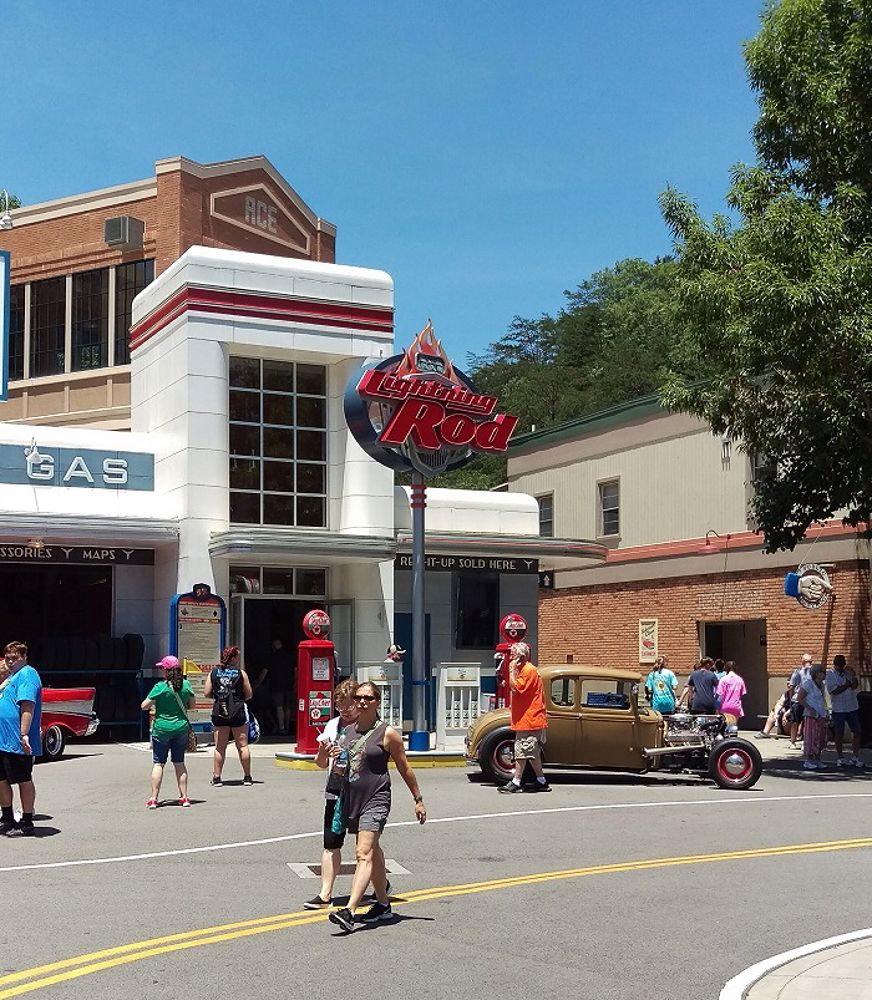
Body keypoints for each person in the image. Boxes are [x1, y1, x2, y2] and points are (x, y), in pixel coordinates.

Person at [328, 681, 426, 932]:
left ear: (377, 701)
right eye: (358, 697)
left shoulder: (387, 733)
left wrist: (418, 800)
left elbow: (405, 768)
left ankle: (350, 910)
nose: (361, 701)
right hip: (352, 799)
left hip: (376, 799)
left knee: (363, 853)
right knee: (374, 852)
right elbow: (338, 766)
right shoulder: (347, 732)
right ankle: (383, 904)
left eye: (368, 698)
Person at [140, 655, 195, 808]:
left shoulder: (160, 687)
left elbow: (143, 705)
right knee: (179, 763)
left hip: (161, 729)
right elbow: (191, 705)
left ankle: (153, 799)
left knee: (158, 763)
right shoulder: (186, 685)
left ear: (166, 670)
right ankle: (184, 797)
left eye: (161, 668)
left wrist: (157, 703)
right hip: (180, 728)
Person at [0, 642, 42, 837]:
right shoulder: (11, 677)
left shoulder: (27, 674)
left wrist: (23, 734)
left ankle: (26, 822)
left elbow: (27, 705)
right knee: (1, 780)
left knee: (23, 780)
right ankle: (7, 819)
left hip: (16, 741)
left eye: (14, 657)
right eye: (7, 657)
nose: (9, 661)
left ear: (24, 657)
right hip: (2, 740)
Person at [499, 641, 550, 794]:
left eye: (513, 655)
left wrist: (511, 670)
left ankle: (516, 781)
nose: (511, 659)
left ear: (521, 657)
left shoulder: (528, 670)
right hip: (526, 719)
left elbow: (517, 688)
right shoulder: (525, 670)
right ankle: (541, 781)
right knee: (531, 753)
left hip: (529, 719)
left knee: (522, 751)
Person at [204, 645, 254, 786]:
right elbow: (249, 694)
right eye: (237, 656)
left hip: (220, 711)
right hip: (237, 711)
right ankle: (247, 776)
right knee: (242, 745)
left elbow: (207, 693)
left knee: (220, 746)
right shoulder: (241, 673)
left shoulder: (213, 673)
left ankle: (217, 777)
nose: (238, 659)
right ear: (232, 658)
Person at [826, 654, 863, 767]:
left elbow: (855, 686)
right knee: (839, 733)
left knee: (857, 731)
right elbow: (834, 691)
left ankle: (855, 756)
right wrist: (847, 684)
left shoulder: (847, 672)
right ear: (834, 665)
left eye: (841, 666)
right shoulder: (830, 675)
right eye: (838, 666)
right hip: (839, 708)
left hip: (851, 706)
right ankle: (840, 757)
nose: (840, 668)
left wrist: (854, 676)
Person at [797, 663, 829, 770]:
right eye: (822, 672)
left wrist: (826, 710)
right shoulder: (808, 684)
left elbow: (823, 699)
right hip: (811, 715)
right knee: (811, 736)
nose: (824, 674)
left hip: (821, 713)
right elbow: (800, 698)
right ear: (816, 673)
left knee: (820, 737)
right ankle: (809, 759)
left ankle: (818, 759)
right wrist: (809, 708)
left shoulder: (822, 685)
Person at [266, 638, 295, 737]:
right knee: (287, 707)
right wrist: (296, 683)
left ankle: (281, 728)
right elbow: (296, 670)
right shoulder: (289, 656)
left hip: (276, 685)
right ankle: (287, 726)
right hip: (289, 684)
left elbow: (265, 672)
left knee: (279, 707)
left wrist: (256, 684)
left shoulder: (272, 657)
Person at [788, 652, 814, 750]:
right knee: (797, 721)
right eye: (808, 661)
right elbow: (792, 687)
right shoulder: (797, 672)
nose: (808, 664)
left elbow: (792, 688)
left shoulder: (813, 672)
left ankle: (803, 741)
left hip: (808, 700)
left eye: (810, 662)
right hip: (799, 700)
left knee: (805, 722)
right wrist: (792, 700)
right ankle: (794, 741)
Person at [716, 661, 747, 726]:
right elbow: (742, 694)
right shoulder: (740, 680)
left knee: (725, 725)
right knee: (734, 725)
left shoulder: (723, 679)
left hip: (725, 706)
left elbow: (720, 694)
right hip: (736, 706)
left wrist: (717, 708)